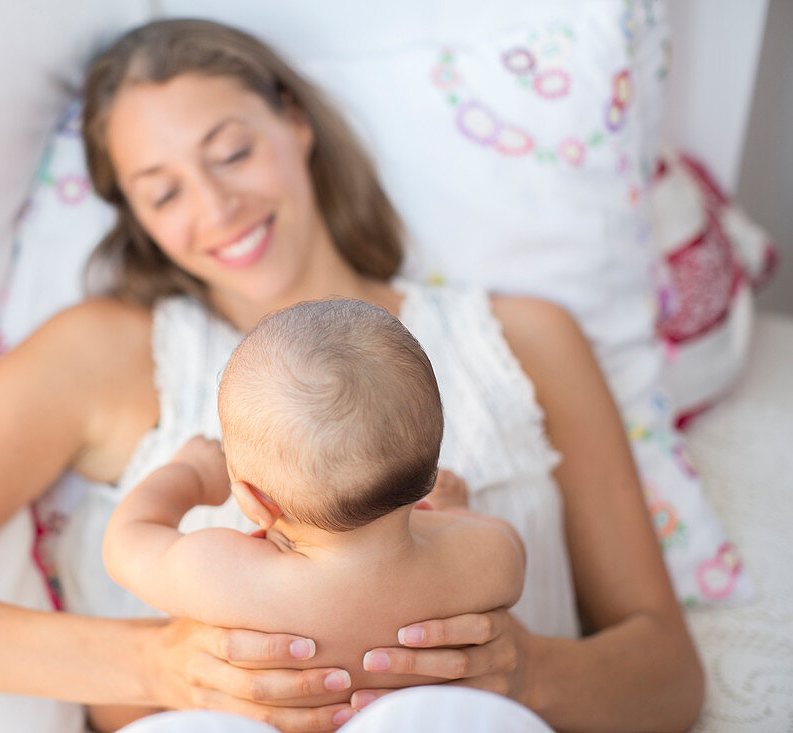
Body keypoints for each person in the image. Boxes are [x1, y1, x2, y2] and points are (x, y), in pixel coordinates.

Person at [0, 18, 704, 733]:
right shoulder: (102, 354)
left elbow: (668, 679)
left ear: (294, 123)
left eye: (230, 151)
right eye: (164, 189)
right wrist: (154, 667)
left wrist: (523, 668)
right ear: (137, 218)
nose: (217, 205)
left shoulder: (523, 340)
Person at [87, 298, 526, 732]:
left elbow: (126, 543)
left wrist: (187, 474)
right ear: (428, 475)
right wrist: (454, 512)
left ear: (255, 503)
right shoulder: (483, 559)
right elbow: (499, 542)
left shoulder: (229, 575)